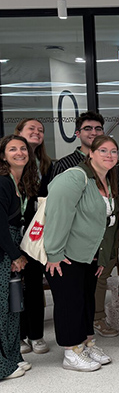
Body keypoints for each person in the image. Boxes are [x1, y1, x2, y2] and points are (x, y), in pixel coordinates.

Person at [44, 135, 118, 372]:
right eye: (104, 150)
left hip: (90, 255)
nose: (109, 155)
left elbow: (106, 223)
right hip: (67, 254)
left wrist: (103, 257)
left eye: (114, 151)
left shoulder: (106, 181)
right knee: (70, 302)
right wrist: (54, 253)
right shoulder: (76, 176)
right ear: (91, 154)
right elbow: (58, 213)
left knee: (86, 300)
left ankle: (86, 343)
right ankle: (71, 351)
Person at [14, 119, 52, 355]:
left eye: (40, 130)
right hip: (11, 230)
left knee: (35, 285)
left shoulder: (46, 164)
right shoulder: (6, 165)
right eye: (31, 129)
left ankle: (36, 335)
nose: (37, 132)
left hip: (36, 232)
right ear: (18, 133)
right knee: (14, 286)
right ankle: (19, 335)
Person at [0, 135, 35, 380]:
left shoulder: (22, 182)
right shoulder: (2, 182)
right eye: (12, 149)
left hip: (13, 247)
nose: (19, 152)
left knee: (13, 307)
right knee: (2, 309)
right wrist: (14, 255)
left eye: (23, 148)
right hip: (3, 250)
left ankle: (13, 357)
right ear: (3, 156)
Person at [52, 111, 105, 176]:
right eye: (88, 129)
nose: (94, 133)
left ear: (103, 133)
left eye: (98, 129)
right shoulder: (63, 165)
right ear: (78, 134)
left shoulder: (112, 162)